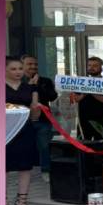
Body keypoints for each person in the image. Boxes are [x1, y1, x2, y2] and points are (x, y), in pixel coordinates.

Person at [6, 56, 41, 205]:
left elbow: (35, 113)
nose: (18, 72)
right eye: (13, 69)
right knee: (3, 167)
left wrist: (37, 109)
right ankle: (3, 203)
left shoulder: (30, 88)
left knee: (25, 166)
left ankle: (22, 202)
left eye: (20, 68)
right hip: (4, 131)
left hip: (25, 129)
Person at [22, 54, 58, 182]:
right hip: (23, 121)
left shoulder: (45, 81)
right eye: (29, 64)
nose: (33, 66)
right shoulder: (18, 81)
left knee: (44, 146)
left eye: (35, 64)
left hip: (43, 120)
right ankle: (23, 173)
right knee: (24, 147)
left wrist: (37, 86)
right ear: (22, 65)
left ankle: (46, 171)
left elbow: (52, 97)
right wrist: (29, 86)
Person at [70, 57, 103, 140]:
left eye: (95, 65)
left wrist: (93, 92)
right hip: (83, 121)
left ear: (101, 68)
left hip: (101, 122)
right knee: (83, 147)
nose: (91, 68)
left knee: (100, 147)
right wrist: (84, 93)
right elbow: (75, 99)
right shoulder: (81, 81)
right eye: (89, 65)